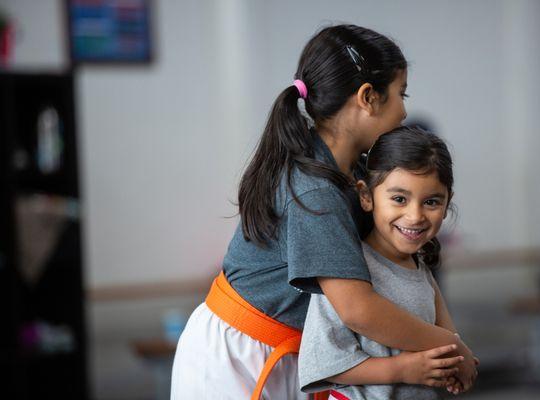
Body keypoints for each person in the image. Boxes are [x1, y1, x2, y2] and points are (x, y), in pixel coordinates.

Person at [170, 24, 477, 400]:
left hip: (287, 352)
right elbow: (357, 309)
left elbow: (415, 274)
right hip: (241, 355)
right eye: (401, 93)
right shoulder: (316, 189)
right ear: (368, 97)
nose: (404, 110)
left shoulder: (354, 174)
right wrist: (451, 347)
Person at [299, 127, 475, 399]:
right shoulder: (347, 274)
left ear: (447, 203)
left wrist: (457, 364)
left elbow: (449, 340)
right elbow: (324, 363)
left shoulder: (421, 269)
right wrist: (400, 369)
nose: (415, 216)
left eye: (431, 202)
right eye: (399, 199)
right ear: (367, 196)